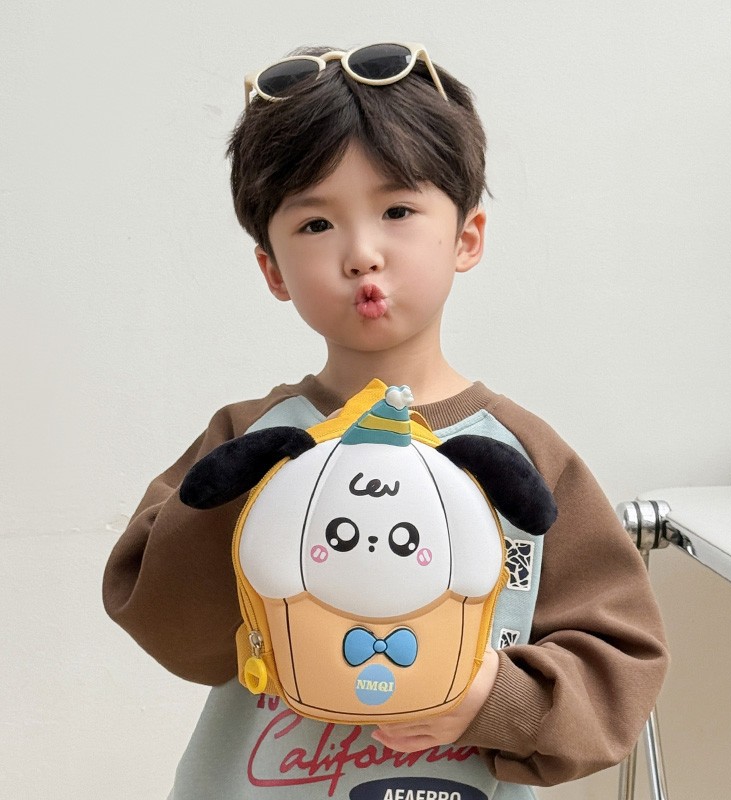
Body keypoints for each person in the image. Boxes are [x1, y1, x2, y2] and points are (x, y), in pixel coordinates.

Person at [102, 43, 668, 800]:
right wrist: (231, 501)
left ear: (466, 237)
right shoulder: (250, 439)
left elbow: (621, 659)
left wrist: (492, 699)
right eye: (315, 224)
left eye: (397, 211)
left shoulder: (526, 456)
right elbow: (165, 624)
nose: (362, 254)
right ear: (272, 268)